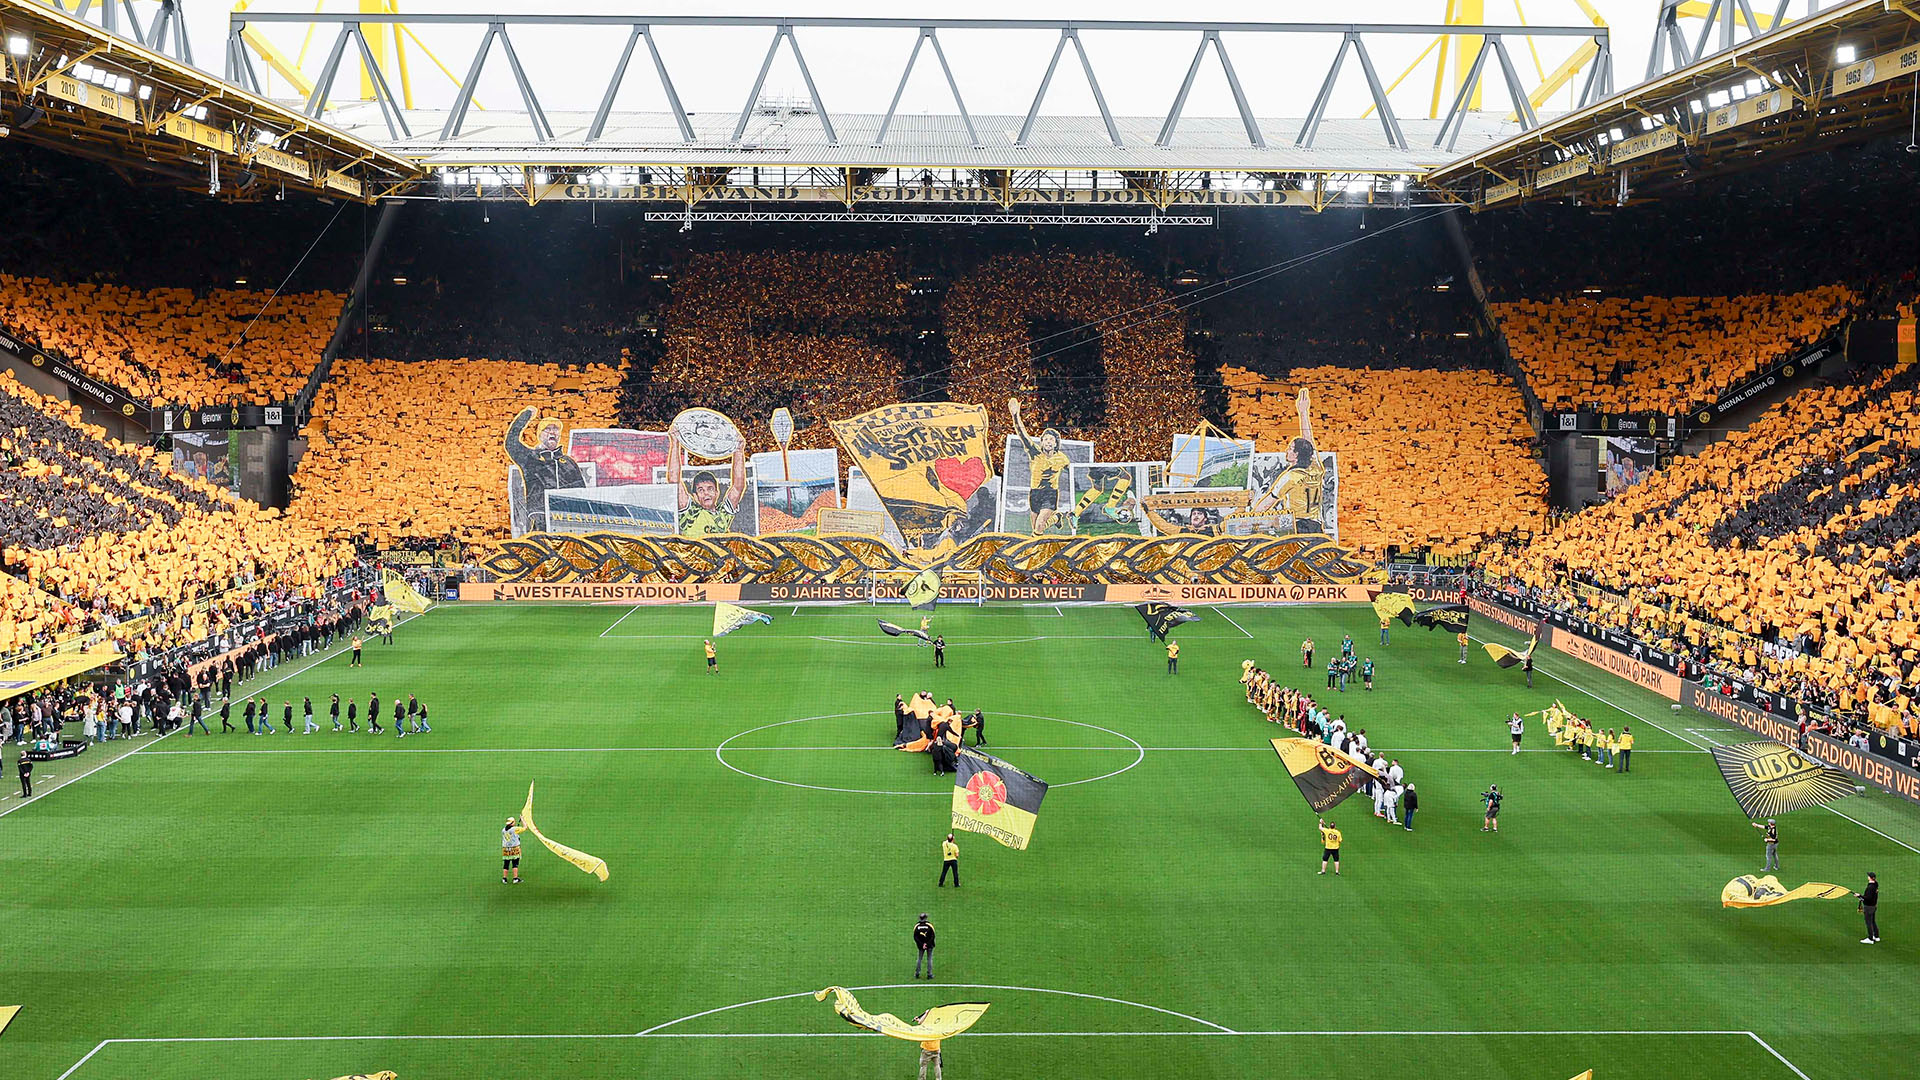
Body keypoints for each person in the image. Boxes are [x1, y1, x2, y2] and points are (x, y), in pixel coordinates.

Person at [1855, 873, 1879, 944]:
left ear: (1870, 878)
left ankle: (1870, 939)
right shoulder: (1875, 885)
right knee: (1873, 921)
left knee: (1869, 923)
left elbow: (1868, 898)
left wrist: (1859, 896)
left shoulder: (1870, 887)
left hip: (1869, 907)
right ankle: (1876, 936)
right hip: (1873, 906)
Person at [913, 914, 936, 979]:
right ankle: (929, 974)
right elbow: (932, 936)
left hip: (921, 946)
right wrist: (927, 944)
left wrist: (922, 944)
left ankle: (917, 973)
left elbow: (915, 937)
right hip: (930, 945)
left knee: (919, 959)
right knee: (929, 959)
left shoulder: (917, 926)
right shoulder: (929, 926)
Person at [502, 816, 524, 884]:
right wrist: (522, 819)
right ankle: (515, 879)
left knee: (506, 864)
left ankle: (504, 878)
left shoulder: (503, 830)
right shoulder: (514, 829)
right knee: (515, 864)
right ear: (512, 823)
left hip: (506, 849)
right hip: (514, 849)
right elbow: (525, 827)